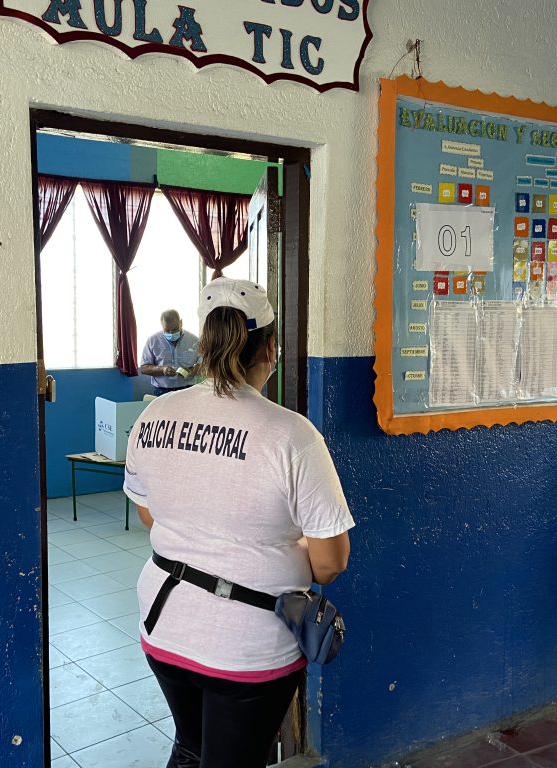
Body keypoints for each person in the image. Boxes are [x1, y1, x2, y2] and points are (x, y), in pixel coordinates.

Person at [123, 278, 354, 768]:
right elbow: (331, 562)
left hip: (163, 628)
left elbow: (149, 512)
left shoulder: (154, 416)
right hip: (246, 649)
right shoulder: (292, 435)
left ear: (203, 344)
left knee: (191, 745)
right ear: (270, 348)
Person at [139, 309, 201, 396]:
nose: (171, 333)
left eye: (175, 330)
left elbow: (203, 364)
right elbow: (144, 368)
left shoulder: (194, 340)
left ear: (181, 323)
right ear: (162, 325)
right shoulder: (152, 341)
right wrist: (162, 370)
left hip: (188, 390)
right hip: (162, 391)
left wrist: (192, 371)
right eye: (167, 330)